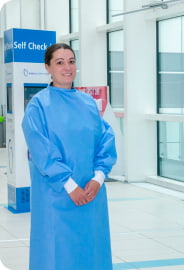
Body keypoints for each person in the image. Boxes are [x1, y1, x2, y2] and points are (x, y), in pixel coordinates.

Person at [22, 43, 117, 270]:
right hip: (56, 195)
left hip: (90, 193)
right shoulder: (38, 106)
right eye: (60, 62)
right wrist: (69, 185)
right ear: (48, 67)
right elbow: (41, 151)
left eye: (71, 61)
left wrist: (98, 179)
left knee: (91, 250)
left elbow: (105, 140)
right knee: (57, 253)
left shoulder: (87, 103)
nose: (67, 67)